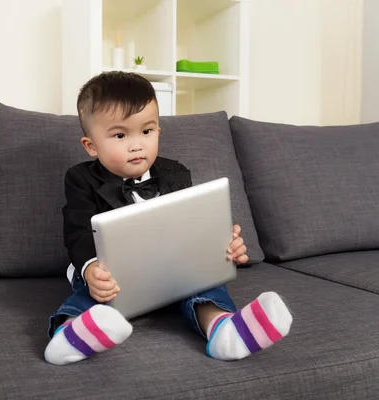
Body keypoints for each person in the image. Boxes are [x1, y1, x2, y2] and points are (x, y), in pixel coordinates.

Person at [44, 71, 292, 366]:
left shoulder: (175, 172)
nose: (136, 145)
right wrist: (90, 269)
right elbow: (78, 231)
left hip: (172, 270)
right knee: (98, 290)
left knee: (204, 283)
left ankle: (223, 329)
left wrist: (221, 243)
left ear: (159, 131)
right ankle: (69, 334)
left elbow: (190, 223)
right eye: (120, 135)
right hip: (112, 272)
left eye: (146, 131)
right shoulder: (80, 178)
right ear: (91, 146)